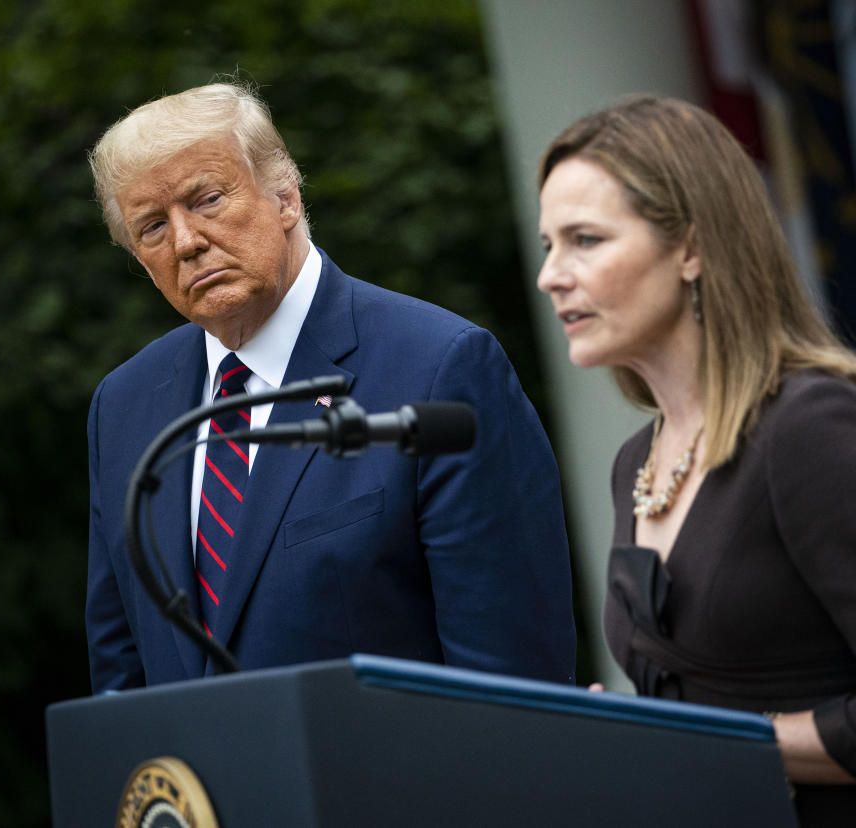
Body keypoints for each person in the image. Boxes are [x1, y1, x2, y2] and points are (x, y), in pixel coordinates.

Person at [536, 95, 856, 826]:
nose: (551, 275)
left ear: (692, 247)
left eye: (585, 240)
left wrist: (693, 741)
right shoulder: (635, 463)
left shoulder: (811, 427)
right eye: (548, 245)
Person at [84, 82, 575, 693]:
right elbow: (122, 675)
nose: (186, 242)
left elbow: (511, 681)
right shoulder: (126, 406)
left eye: (207, 200)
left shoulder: (438, 366)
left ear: (285, 196)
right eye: (152, 227)